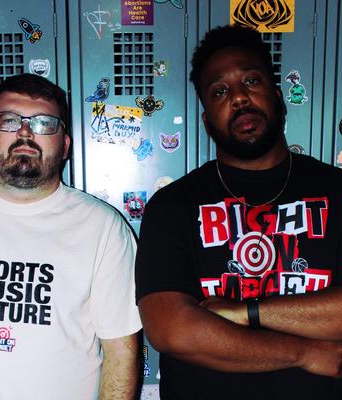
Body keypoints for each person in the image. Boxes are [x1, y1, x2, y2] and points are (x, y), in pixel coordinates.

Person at [135, 25, 342, 399]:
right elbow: (172, 329)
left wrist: (246, 312)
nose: (239, 98)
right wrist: (306, 352)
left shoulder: (337, 191)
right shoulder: (172, 207)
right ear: (206, 121)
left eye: (251, 81)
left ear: (277, 97)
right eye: (220, 91)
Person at [0, 73, 142, 400]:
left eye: (43, 123)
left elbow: (120, 353)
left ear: (65, 146)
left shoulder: (104, 228)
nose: (24, 132)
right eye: (8, 120)